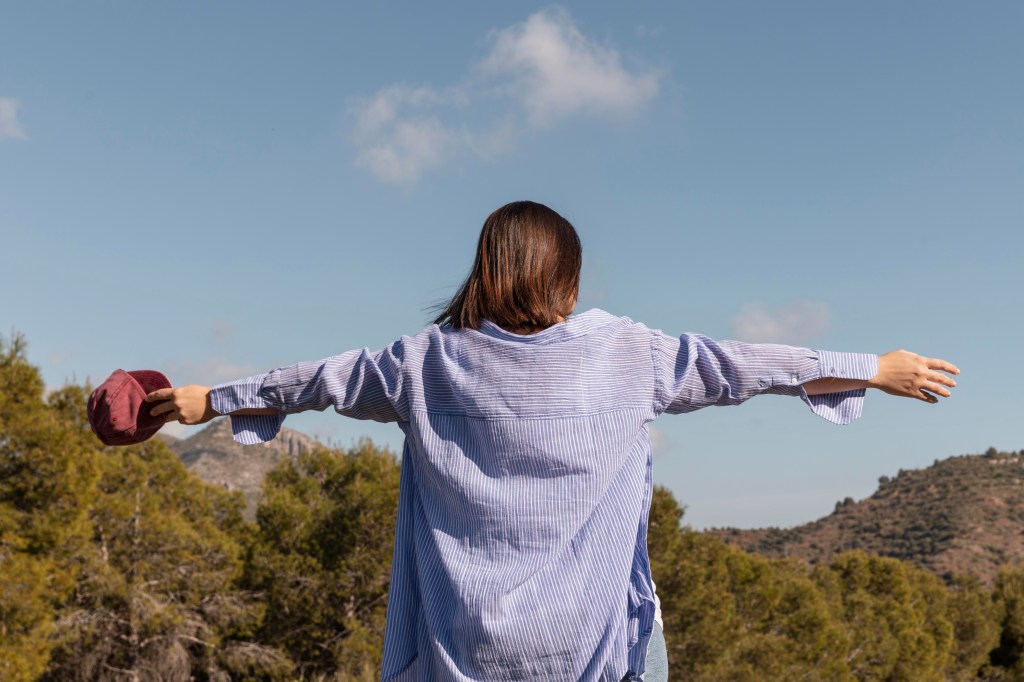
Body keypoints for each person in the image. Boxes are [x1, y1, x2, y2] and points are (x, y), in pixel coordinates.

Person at [145, 201, 959, 681]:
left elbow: (307, 382)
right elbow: (743, 364)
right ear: (565, 279)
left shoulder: (418, 363)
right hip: (591, 648)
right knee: (648, 626)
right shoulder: (627, 352)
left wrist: (202, 399)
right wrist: (870, 367)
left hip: (461, 648)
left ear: (484, 271)